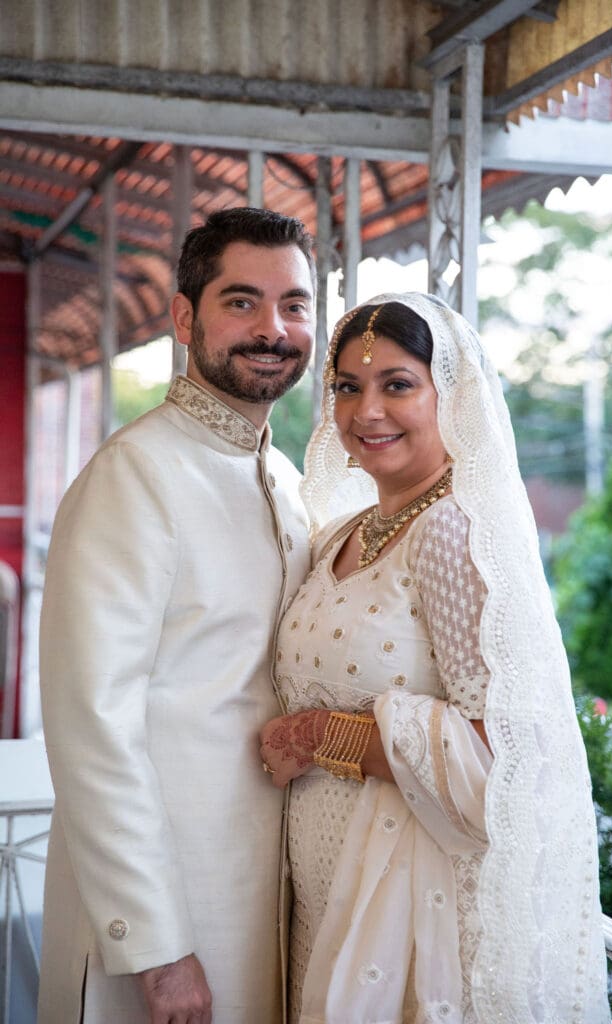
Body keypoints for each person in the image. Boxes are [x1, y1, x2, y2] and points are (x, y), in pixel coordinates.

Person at [260, 293, 611, 1023]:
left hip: (413, 911)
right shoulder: (344, 532)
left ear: (451, 396)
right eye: (347, 387)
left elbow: (500, 761)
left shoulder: (451, 533)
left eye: (397, 384)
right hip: (327, 886)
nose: (367, 412)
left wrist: (323, 736)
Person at [38, 207, 316, 1024]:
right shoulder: (134, 473)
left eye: (293, 305)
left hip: (267, 903)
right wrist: (156, 949)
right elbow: (92, 724)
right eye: (242, 301)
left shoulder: (288, 482)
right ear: (185, 318)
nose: (272, 329)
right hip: (165, 921)